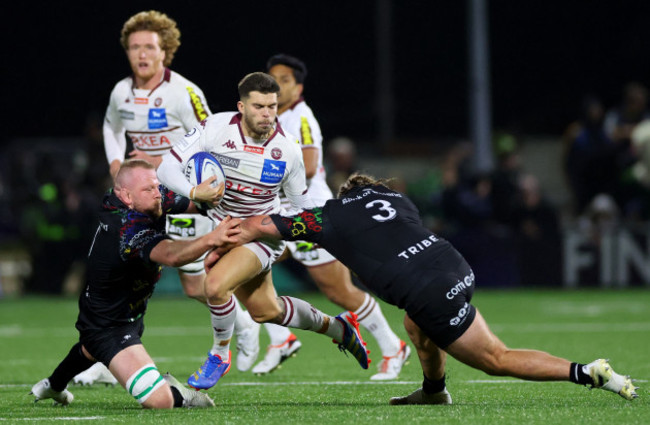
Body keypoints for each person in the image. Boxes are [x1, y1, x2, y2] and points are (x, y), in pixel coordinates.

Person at [223, 172, 639, 404]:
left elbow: (262, 225)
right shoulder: (399, 201)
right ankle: (434, 391)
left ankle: (587, 372)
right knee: (417, 325)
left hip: (428, 289)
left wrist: (219, 233)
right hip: (456, 267)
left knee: (496, 358)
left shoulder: (327, 216)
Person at [77, 10, 260, 386]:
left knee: (195, 285)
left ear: (165, 52)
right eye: (134, 47)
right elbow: (112, 126)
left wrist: (183, 174)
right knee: (122, 270)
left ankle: (243, 325)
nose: (141, 54)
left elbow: (212, 136)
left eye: (149, 47)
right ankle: (111, 356)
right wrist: (116, 162)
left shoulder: (184, 92)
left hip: (179, 195)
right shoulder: (121, 92)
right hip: (141, 197)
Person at [157, 72, 370, 390]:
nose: (267, 114)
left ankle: (219, 355)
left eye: (272, 106)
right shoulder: (215, 127)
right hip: (224, 228)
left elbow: (300, 213)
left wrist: (272, 235)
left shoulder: (287, 150)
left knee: (213, 287)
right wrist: (194, 191)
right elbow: (165, 167)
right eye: (259, 107)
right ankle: (339, 328)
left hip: (260, 234)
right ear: (241, 106)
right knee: (264, 310)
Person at [30, 160, 241, 409]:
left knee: (89, 350)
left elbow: (192, 204)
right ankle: (181, 393)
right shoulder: (125, 229)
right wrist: (212, 238)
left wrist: (216, 200)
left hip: (120, 308)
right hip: (110, 326)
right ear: (127, 197)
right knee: (159, 401)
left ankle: (53, 386)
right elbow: (171, 255)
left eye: (156, 186)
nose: (157, 194)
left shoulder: (143, 197)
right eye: (149, 189)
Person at [252, 54, 408, 380]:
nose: (276, 86)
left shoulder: (301, 117)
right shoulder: (270, 118)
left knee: (339, 291)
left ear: (298, 86)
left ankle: (394, 347)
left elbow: (308, 168)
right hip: (282, 212)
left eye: (284, 80)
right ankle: (281, 339)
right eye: (272, 79)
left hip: (310, 214)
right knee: (246, 267)